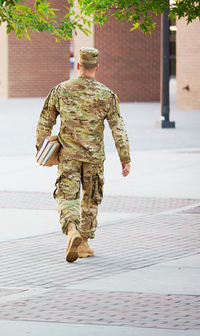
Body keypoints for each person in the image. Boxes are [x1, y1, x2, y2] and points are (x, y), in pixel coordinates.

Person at [35, 47, 131, 263]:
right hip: (94, 158)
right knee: (90, 198)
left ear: (78, 66)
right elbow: (119, 128)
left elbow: (44, 122)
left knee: (67, 196)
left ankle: (72, 231)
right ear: (97, 67)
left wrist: (42, 151)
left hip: (68, 156)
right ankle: (84, 243)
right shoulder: (107, 94)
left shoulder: (60, 90)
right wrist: (125, 158)